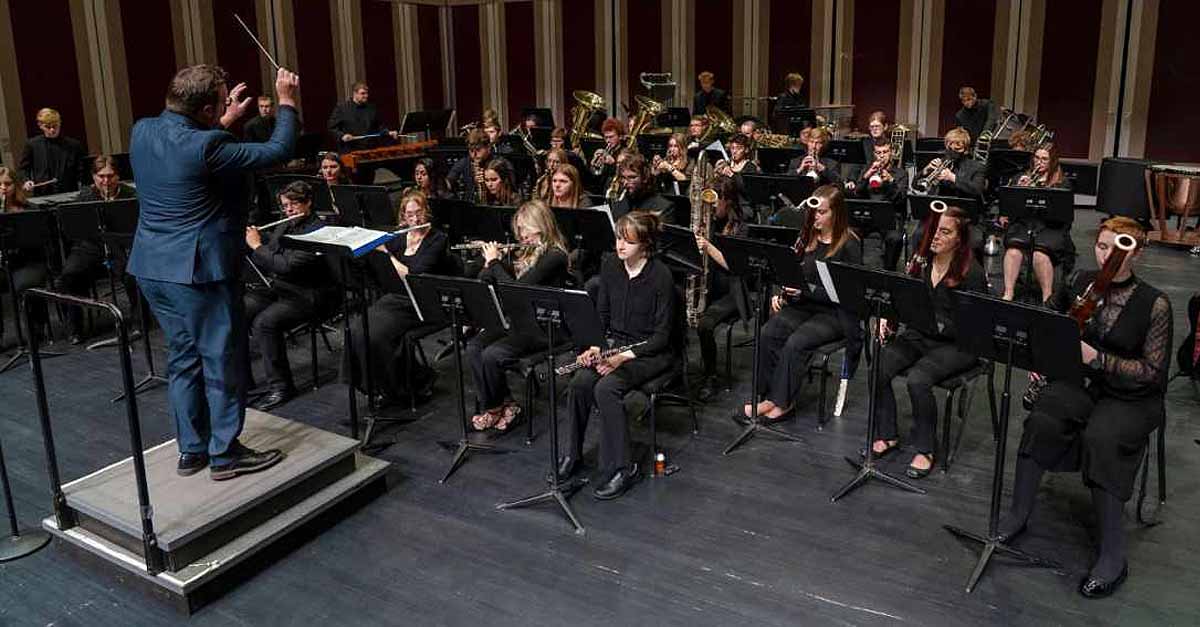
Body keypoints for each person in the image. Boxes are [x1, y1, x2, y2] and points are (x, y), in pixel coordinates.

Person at [128, 64, 299, 480]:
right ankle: (224, 454)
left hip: (152, 267)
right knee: (221, 359)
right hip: (198, 271)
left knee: (184, 357)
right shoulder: (210, 145)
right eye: (221, 103)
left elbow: (184, 148)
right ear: (205, 110)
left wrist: (223, 121)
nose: (227, 106)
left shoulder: (143, 130)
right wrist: (287, 101)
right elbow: (278, 151)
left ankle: (192, 450)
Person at [1000, 217, 1171, 599]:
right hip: (1086, 385)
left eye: (1118, 248)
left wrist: (1096, 358)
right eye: (1102, 246)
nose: (1107, 254)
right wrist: (1044, 358)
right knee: (1044, 416)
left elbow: (1151, 373)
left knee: (1102, 437)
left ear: (1137, 252)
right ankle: (1017, 514)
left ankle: (1113, 554)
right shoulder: (1079, 282)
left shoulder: (1155, 303)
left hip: (1132, 396)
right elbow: (1051, 327)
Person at [560, 211, 676, 500]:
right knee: (578, 383)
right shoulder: (611, 265)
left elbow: (662, 337)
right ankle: (572, 455)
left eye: (628, 241)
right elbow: (602, 316)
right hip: (614, 345)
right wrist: (596, 347)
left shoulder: (661, 275)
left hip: (649, 352)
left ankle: (625, 466)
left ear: (645, 245)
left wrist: (624, 357)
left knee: (607, 388)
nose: (620, 246)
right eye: (618, 239)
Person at [869, 206, 986, 478]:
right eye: (934, 230)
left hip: (959, 345)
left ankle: (926, 448)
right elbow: (904, 298)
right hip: (920, 335)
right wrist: (889, 316)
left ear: (959, 239)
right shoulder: (920, 263)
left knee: (918, 380)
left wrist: (941, 325)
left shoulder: (973, 273)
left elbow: (977, 327)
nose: (935, 237)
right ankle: (887, 434)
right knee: (880, 365)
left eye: (944, 232)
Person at [744, 185, 863, 421]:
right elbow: (792, 272)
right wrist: (782, 293)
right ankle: (766, 396)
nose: (815, 217)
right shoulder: (807, 235)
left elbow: (851, 294)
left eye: (822, 212)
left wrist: (805, 290)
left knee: (796, 343)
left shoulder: (849, 244)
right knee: (769, 332)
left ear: (836, 214)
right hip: (804, 304)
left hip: (835, 313)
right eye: (814, 211)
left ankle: (782, 402)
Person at [466, 200, 571, 431]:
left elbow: (517, 290)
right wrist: (490, 262)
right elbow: (490, 282)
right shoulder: (528, 252)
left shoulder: (555, 256)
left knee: (492, 355)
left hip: (545, 326)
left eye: (525, 229)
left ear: (541, 226)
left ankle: (494, 409)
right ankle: (503, 405)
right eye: (519, 230)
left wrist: (495, 262)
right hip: (521, 322)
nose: (521, 235)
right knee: (474, 347)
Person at [243, 181, 340, 410]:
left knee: (265, 323)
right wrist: (260, 246)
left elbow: (286, 265)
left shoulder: (317, 231)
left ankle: (281, 387)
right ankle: (242, 378)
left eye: (293, 205)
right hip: (281, 286)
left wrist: (257, 247)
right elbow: (273, 258)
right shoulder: (285, 225)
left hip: (309, 294)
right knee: (239, 311)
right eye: (285, 206)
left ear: (308, 203)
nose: (288, 211)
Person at [344, 191, 449, 404]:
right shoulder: (400, 237)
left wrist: (387, 254)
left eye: (419, 213)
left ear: (426, 212)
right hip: (395, 298)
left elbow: (414, 275)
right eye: (410, 215)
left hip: (421, 302)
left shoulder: (437, 239)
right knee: (356, 329)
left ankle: (401, 387)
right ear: (404, 216)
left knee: (377, 336)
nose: (415, 219)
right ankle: (371, 385)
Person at [57, 155, 139, 343]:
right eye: (101, 176)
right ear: (94, 177)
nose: (106, 181)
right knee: (69, 275)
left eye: (110, 176)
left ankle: (138, 322)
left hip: (120, 246)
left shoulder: (129, 195)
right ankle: (75, 328)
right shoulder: (86, 195)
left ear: (118, 176)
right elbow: (74, 229)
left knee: (133, 274)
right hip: (90, 246)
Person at [693, 177, 750, 400]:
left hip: (732, 290)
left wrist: (707, 246)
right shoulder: (708, 220)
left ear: (728, 201)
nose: (711, 208)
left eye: (715, 203)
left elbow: (735, 266)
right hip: (707, 283)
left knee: (705, 325)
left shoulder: (742, 225)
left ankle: (711, 376)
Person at [1001, 143, 1073, 304]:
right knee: (1013, 252)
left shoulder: (1062, 182)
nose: (1039, 162)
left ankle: (1047, 297)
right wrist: (1019, 190)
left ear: (1052, 161)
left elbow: (1061, 215)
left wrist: (1040, 191)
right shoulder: (1020, 177)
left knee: (1040, 254)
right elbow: (1010, 210)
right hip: (1025, 223)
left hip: (1050, 226)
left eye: (1044, 159)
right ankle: (1008, 292)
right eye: (1037, 158)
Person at [0, 167, 50, 333]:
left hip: (28, 261)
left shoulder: (29, 210)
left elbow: (40, 241)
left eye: (7, 184)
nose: (3, 188)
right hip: (3, 263)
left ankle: (35, 330)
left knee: (25, 284)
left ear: (16, 186)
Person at [848, 139, 908, 270]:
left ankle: (888, 272)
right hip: (867, 216)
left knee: (895, 238)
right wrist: (866, 177)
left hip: (890, 216)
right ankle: (856, 269)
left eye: (885, 152)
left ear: (891, 153)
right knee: (849, 232)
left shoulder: (900, 173)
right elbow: (856, 194)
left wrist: (891, 181)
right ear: (874, 154)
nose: (881, 156)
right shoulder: (866, 170)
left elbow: (901, 200)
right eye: (878, 152)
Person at [19, 108, 86, 196]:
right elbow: (24, 168)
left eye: (55, 126)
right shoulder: (32, 145)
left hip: (69, 191)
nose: (52, 130)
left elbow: (82, 170)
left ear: (60, 123)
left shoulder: (74, 145)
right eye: (48, 127)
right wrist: (26, 180)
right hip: (43, 193)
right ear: (40, 125)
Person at [327, 81, 397, 150]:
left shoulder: (371, 108)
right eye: (363, 93)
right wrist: (342, 136)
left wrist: (388, 132)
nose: (366, 96)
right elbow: (332, 127)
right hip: (350, 149)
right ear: (355, 94)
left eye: (367, 93)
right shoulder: (342, 108)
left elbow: (379, 126)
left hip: (369, 148)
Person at [918, 127, 985, 198]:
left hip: (962, 206)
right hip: (938, 204)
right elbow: (916, 186)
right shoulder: (941, 162)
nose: (953, 152)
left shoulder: (977, 167)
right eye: (950, 149)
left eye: (957, 149)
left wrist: (952, 178)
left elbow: (977, 189)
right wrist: (925, 170)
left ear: (966, 149)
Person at [610, 153, 674, 222]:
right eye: (623, 178)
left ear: (645, 178)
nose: (625, 183)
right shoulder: (620, 204)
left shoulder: (662, 208)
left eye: (632, 177)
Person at [447, 129, 492, 203]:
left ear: (488, 147)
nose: (474, 154)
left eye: (478, 149)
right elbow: (449, 182)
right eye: (471, 150)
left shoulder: (498, 163)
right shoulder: (463, 163)